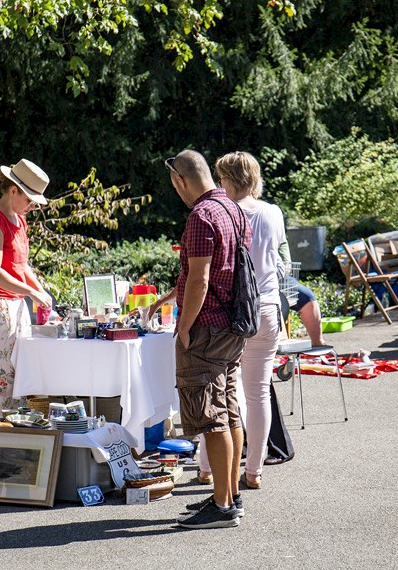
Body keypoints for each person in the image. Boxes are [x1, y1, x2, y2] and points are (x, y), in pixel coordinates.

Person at [149, 149, 249, 529]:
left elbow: (202, 278)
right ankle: (229, 495)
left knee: (211, 418)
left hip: (206, 328)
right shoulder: (233, 209)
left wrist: (185, 325)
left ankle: (222, 507)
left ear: (179, 180)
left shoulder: (200, 216)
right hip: (234, 326)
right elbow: (225, 268)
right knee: (228, 410)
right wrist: (173, 296)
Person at [192, 151, 285, 492]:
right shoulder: (273, 213)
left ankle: (206, 468)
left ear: (226, 180)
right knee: (258, 393)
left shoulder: (223, 212)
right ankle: (254, 471)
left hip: (232, 311)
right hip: (268, 307)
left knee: (218, 391)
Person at [0, 159, 53, 418]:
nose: (31, 207)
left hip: (15, 305)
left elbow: (21, 264)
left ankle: (16, 439)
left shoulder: (18, 219)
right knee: (0, 380)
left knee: (20, 377)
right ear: (13, 189)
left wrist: (41, 291)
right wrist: (31, 293)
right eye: (30, 200)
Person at [279, 240, 327, 346]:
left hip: (283, 278)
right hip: (263, 277)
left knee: (308, 299)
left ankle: (317, 343)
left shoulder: (277, 225)